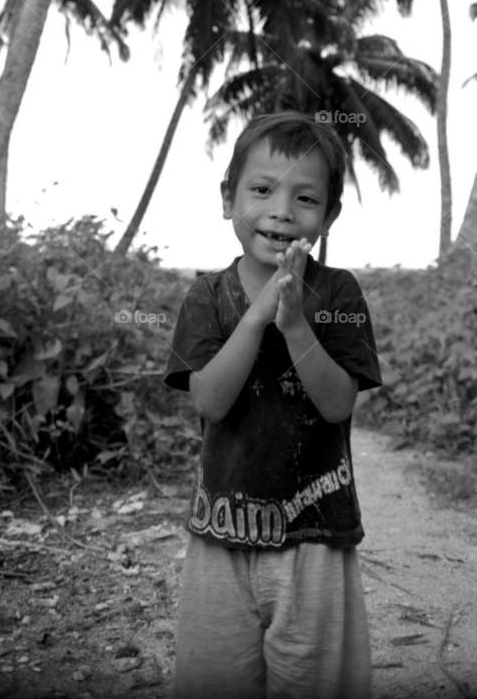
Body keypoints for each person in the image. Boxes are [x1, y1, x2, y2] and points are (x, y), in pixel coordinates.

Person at [163, 111, 382, 699]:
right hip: (219, 536)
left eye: (305, 198)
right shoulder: (208, 294)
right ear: (227, 199)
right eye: (261, 190)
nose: (282, 210)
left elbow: (338, 405)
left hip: (316, 537)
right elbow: (209, 400)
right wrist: (258, 318)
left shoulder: (337, 293)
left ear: (328, 215)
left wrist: (295, 327)